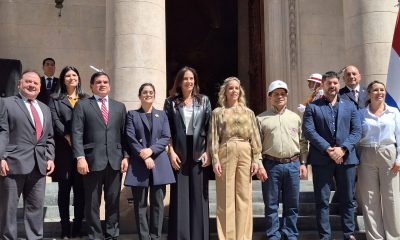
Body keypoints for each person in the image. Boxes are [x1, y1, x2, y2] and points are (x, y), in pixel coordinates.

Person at [302, 71, 361, 240]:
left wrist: (343, 149)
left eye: (335, 83)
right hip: (322, 160)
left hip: (347, 159)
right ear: (323, 85)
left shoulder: (350, 106)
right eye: (329, 83)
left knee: (348, 199)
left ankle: (349, 234)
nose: (333, 86)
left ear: (338, 84)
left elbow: (357, 131)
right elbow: (309, 131)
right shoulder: (313, 107)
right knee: (322, 201)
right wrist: (328, 149)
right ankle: (325, 236)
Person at [72, 71, 129, 240]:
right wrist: (80, 157)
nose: (102, 84)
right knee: (92, 203)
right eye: (98, 82)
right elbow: (76, 133)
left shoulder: (119, 106)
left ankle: (112, 235)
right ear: (91, 86)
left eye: (105, 82)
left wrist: (126, 156)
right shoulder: (82, 105)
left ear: (110, 86)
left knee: (113, 201)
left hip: (115, 161)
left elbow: (124, 134)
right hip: (91, 161)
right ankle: (95, 236)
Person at [0, 70, 55, 239]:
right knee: (8, 209)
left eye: (35, 83)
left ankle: (35, 237)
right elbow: (2, 131)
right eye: (28, 81)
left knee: (35, 208)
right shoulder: (6, 103)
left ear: (40, 88)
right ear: (19, 84)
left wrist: (50, 157)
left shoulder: (45, 108)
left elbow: (50, 137)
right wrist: (1, 157)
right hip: (12, 163)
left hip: (39, 165)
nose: (32, 85)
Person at [208, 76, 263, 240]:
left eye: (237, 88)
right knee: (226, 197)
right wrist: (215, 159)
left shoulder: (249, 113)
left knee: (244, 196)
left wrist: (256, 159)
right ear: (225, 91)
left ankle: (244, 237)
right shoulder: (218, 112)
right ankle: (227, 237)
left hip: (246, 151)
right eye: (230, 88)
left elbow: (255, 136)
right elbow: (213, 137)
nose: (234, 91)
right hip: (226, 149)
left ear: (241, 91)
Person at [164, 66, 212, 240]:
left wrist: (208, 152)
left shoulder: (204, 101)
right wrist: (170, 152)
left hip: (199, 152)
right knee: (179, 196)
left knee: (199, 196)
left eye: (191, 78)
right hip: (179, 152)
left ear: (195, 81)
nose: (189, 82)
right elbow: (166, 129)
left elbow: (210, 129)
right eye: (185, 79)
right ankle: (181, 236)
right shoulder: (170, 102)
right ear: (179, 81)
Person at [256, 80, 308, 240]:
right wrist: (259, 165)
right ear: (269, 97)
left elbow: (303, 142)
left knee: (292, 204)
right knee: (271, 204)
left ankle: (290, 234)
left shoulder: (295, 118)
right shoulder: (261, 119)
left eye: (283, 94)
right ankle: (273, 235)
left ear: (287, 96)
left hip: (293, 164)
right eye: (276, 94)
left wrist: (304, 163)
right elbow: (256, 145)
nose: (280, 97)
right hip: (271, 166)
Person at [124, 83, 175, 240]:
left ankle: (156, 236)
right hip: (139, 164)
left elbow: (166, 137)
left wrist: (151, 151)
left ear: (154, 95)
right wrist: (144, 155)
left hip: (159, 162)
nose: (148, 94)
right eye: (144, 92)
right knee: (140, 205)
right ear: (139, 96)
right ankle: (144, 237)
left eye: (151, 92)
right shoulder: (132, 114)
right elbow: (130, 137)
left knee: (158, 204)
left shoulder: (162, 114)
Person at [48, 66, 89, 238]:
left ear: (79, 78)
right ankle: (65, 229)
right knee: (64, 191)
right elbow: (54, 119)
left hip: (83, 153)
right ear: (63, 79)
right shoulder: (55, 98)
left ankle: (78, 228)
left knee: (80, 192)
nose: (71, 78)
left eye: (74, 75)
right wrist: (67, 135)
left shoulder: (86, 99)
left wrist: (78, 139)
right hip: (64, 153)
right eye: (67, 75)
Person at [357, 81, 400, 239]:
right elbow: (357, 136)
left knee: (391, 197)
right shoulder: (361, 113)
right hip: (367, 153)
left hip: (388, 153)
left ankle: (394, 236)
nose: (379, 93)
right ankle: (375, 237)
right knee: (369, 198)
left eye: (382, 90)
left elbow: (399, 136)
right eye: (375, 90)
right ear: (369, 94)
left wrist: (399, 159)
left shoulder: (393, 112)